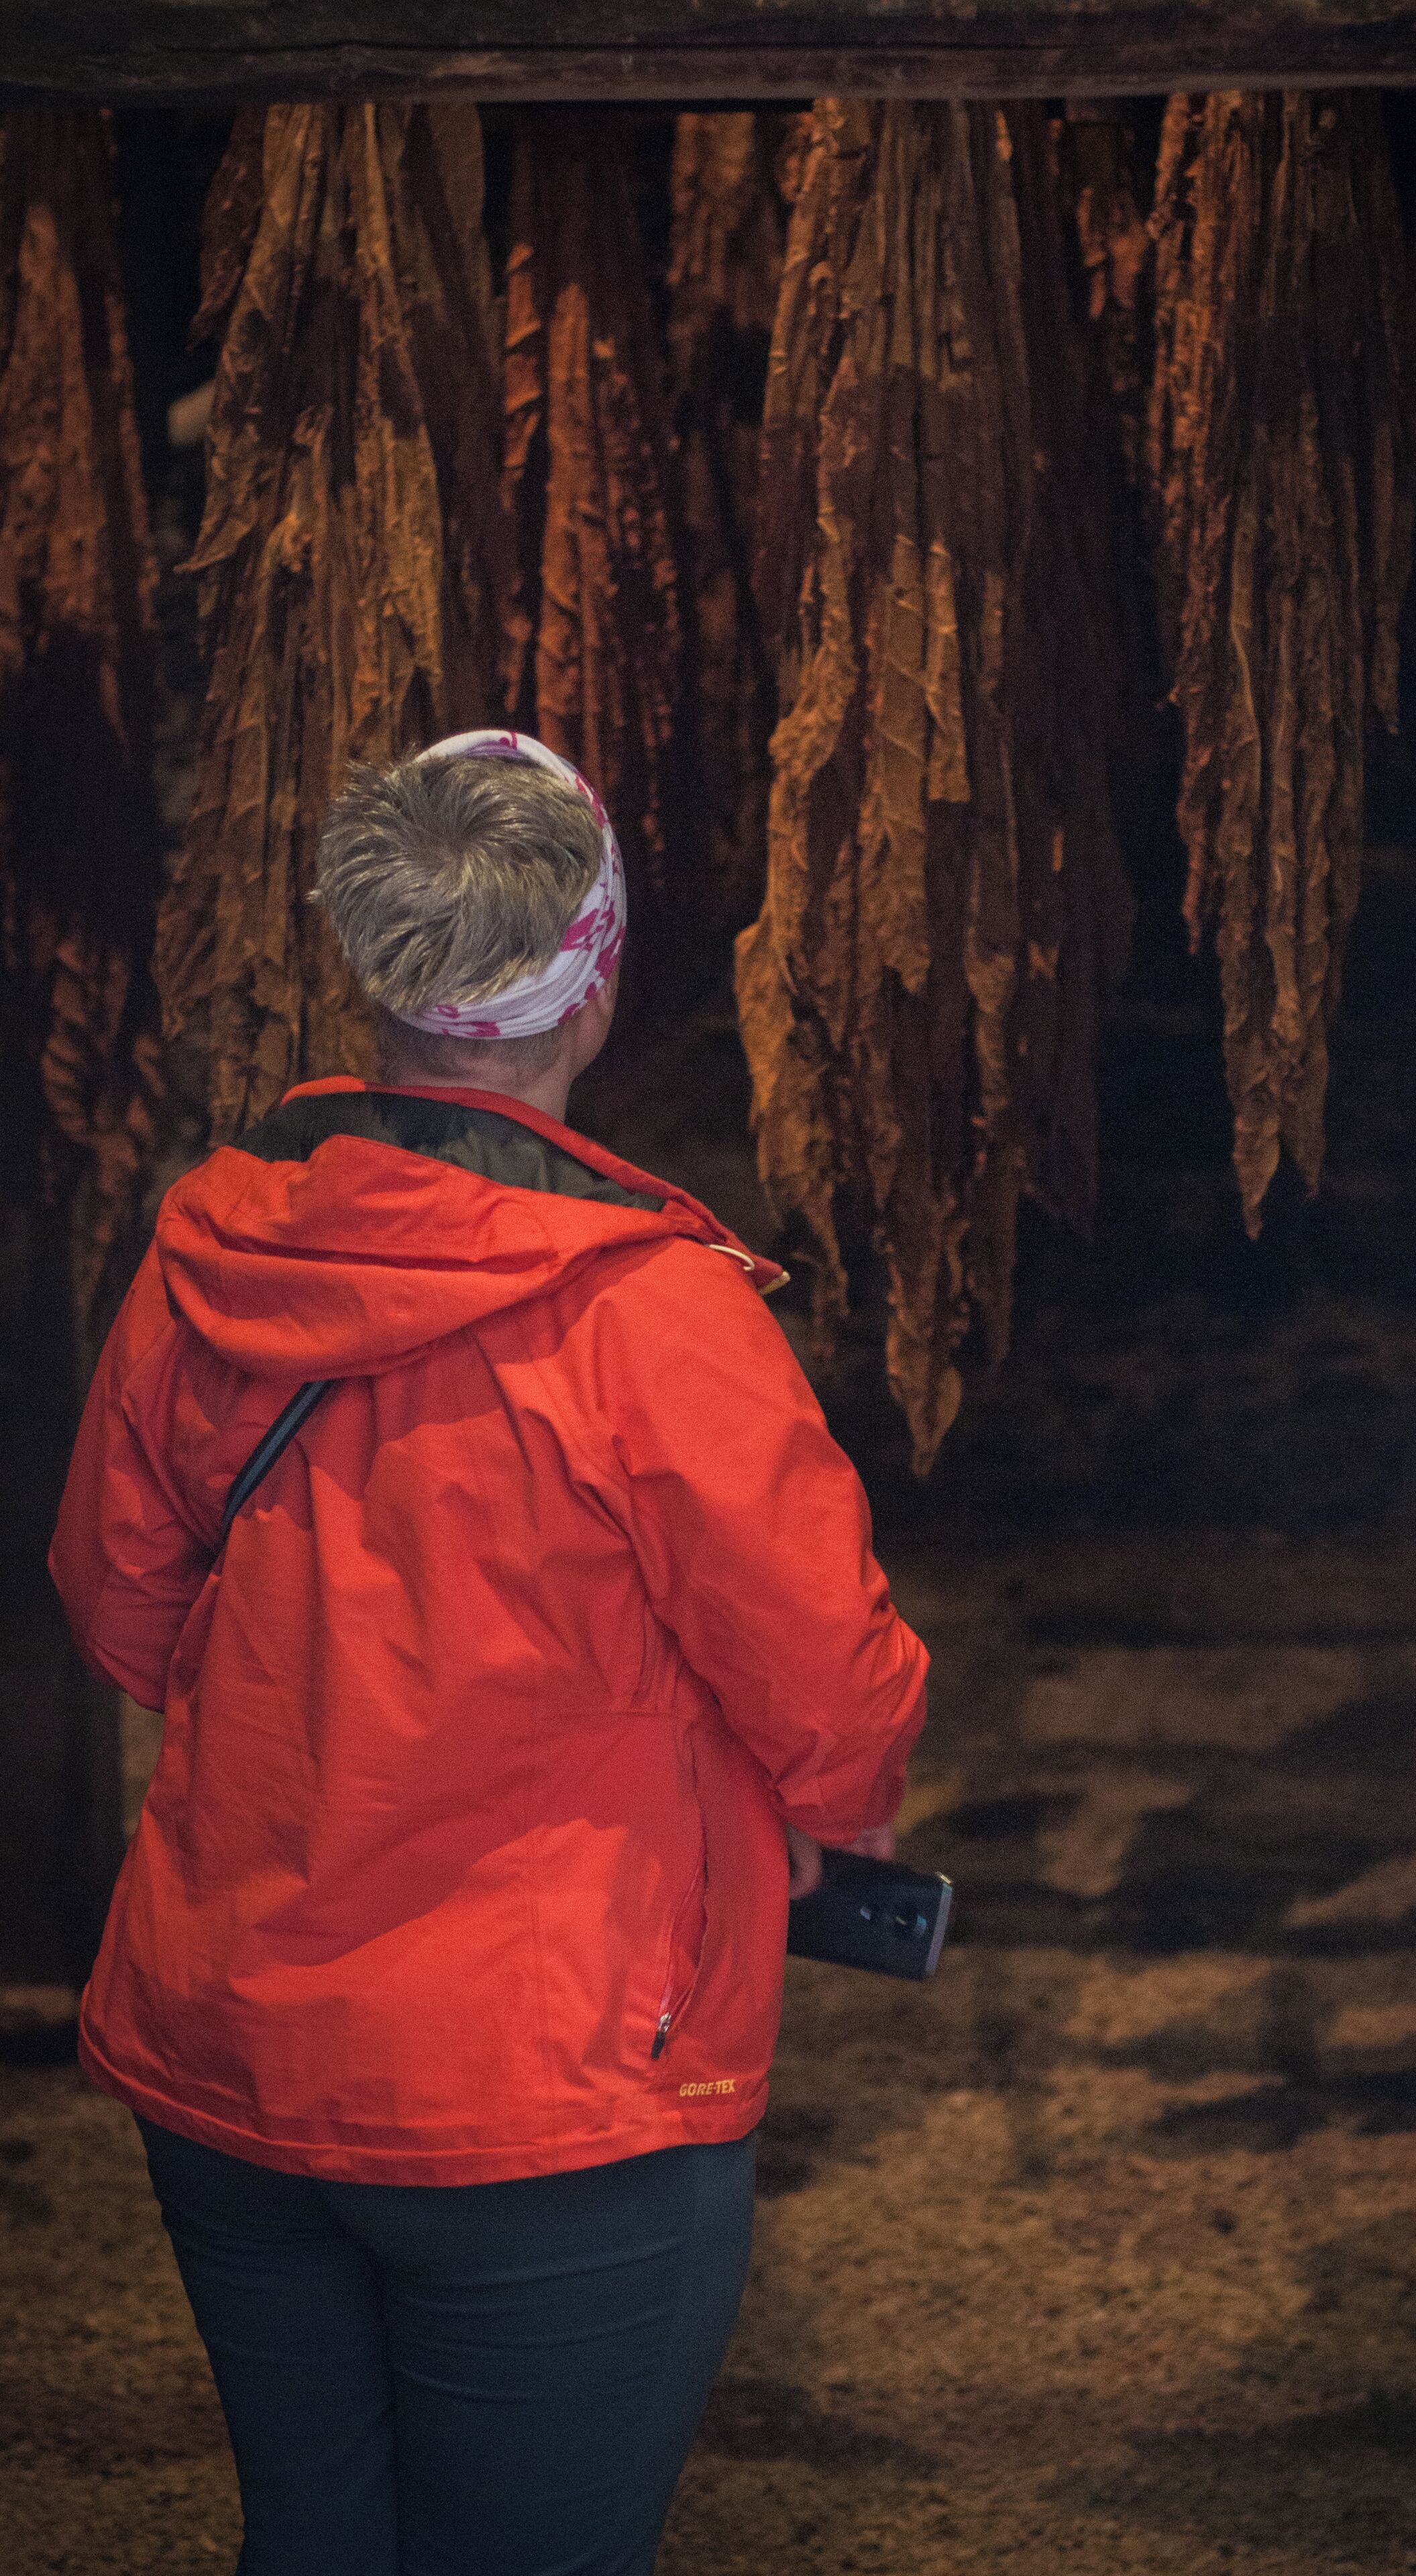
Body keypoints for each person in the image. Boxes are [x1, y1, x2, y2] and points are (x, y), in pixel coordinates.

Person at [49, 729, 929, 2576]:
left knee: (311, 2540)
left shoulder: (213, 1253)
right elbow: (832, 1695)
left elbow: (122, 1604)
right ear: (590, 972)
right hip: (553, 2089)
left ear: (373, 966)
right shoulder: (654, 1316)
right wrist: (804, 1813)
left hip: (232, 2055)